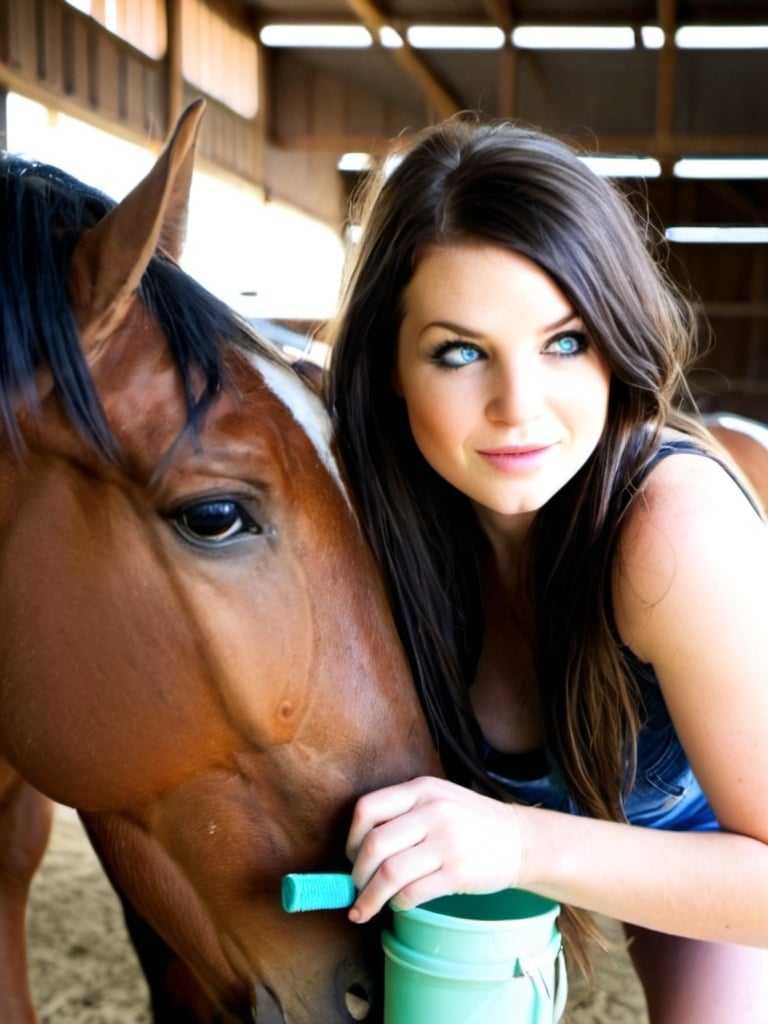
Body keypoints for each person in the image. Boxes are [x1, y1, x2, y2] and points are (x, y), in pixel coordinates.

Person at [327, 113, 768, 1023]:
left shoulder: (670, 533)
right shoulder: (354, 519)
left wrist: (522, 844)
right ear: (390, 366)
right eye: (460, 352)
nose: (518, 409)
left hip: (703, 848)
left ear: (614, 343)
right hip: (472, 879)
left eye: (564, 342)